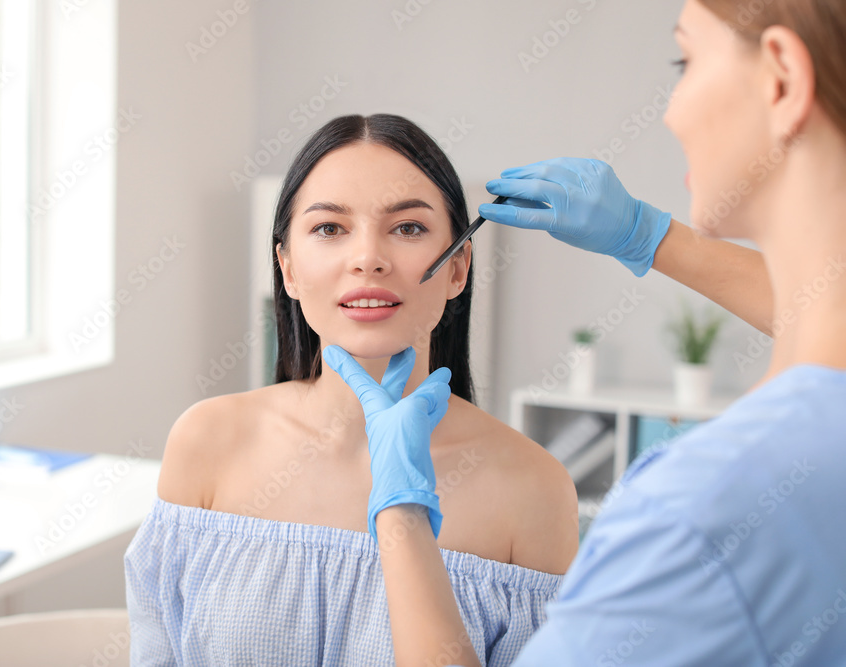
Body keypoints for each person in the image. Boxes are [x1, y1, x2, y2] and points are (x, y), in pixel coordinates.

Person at [328, 0, 846, 665]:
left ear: (781, 78)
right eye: (329, 226)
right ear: (283, 262)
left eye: (684, 60)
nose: (670, 110)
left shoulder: (696, 515)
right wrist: (648, 235)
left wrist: (399, 515)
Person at [124, 114, 579, 665]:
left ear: (458, 267)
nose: (368, 258)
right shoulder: (207, 440)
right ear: (287, 269)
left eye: (408, 227)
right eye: (329, 229)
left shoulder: (535, 490)